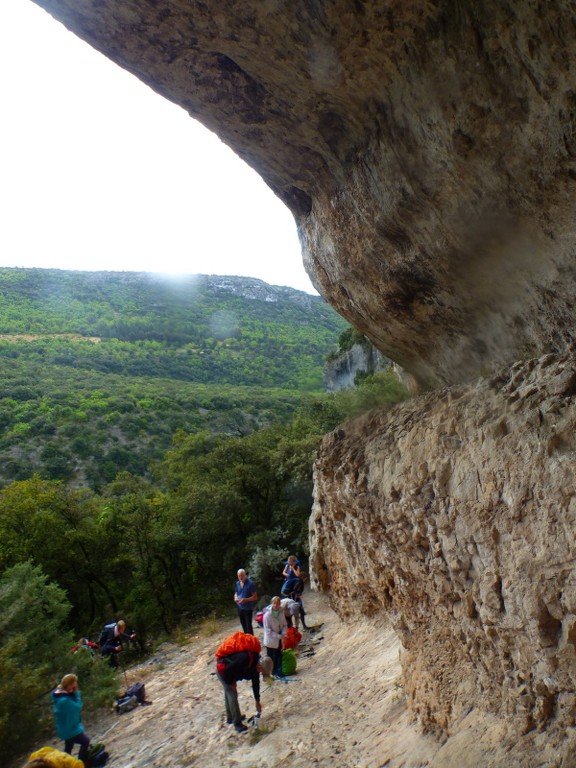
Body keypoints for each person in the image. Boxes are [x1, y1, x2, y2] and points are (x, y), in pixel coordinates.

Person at [215, 649, 273, 732]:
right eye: (263, 671)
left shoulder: (255, 668)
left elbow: (255, 684)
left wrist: (257, 701)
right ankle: (237, 723)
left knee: (229, 692)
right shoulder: (245, 659)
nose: (261, 673)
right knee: (232, 695)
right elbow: (228, 669)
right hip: (223, 671)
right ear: (261, 666)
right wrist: (231, 682)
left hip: (229, 671)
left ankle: (231, 717)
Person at [51, 674, 91, 764]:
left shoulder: (60, 696)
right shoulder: (64, 701)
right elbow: (77, 707)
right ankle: (81, 763)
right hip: (70, 729)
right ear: (70, 685)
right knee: (85, 741)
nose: (75, 686)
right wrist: (76, 693)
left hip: (64, 729)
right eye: (74, 684)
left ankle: (64, 764)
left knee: (68, 747)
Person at [263, 596, 287, 676]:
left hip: (279, 637)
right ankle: (270, 672)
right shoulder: (267, 615)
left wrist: (284, 633)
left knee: (278, 655)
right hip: (271, 639)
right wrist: (278, 636)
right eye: (274, 603)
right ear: (271, 604)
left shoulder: (281, 613)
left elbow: (284, 624)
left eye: (278, 604)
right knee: (270, 658)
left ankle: (278, 671)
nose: (276, 605)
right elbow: (268, 630)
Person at [234, 569, 258, 634]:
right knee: (243, 625)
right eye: (239, 576)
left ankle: (252, 641)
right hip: (239, 607)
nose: (240, 577)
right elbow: (236, 592)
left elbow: (255, 597)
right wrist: (235, 597)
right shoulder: (237, 583)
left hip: (248, 608)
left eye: (242, 575)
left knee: (248, 626)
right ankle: (246, 641)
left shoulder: (250, 584)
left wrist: (246, 600)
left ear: (245, 575)